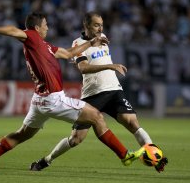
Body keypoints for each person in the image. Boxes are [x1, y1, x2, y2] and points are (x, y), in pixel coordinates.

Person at [0, 12, 145, 172]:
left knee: (21, 135)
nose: (48, 28)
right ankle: (124, 155)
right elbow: (14, 31)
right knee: (97, 117)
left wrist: (91, 43)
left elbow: (69, 53)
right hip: (53, 98)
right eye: (45, 25)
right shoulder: (32, 37)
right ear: (36, 28)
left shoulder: (46, 46)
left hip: (39, 101)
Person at [29, 12, 168, 173]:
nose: (100, 28)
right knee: (76, 139)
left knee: (132, 122)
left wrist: (110, 67)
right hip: (92, 95)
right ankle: (46, 160)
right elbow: (83, 68)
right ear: (86, 26)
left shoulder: (103, 37)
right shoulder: (78, 43)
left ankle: (155, 157)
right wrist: (110, 66)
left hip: (114, 89)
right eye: (96, 25)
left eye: (101, 24)